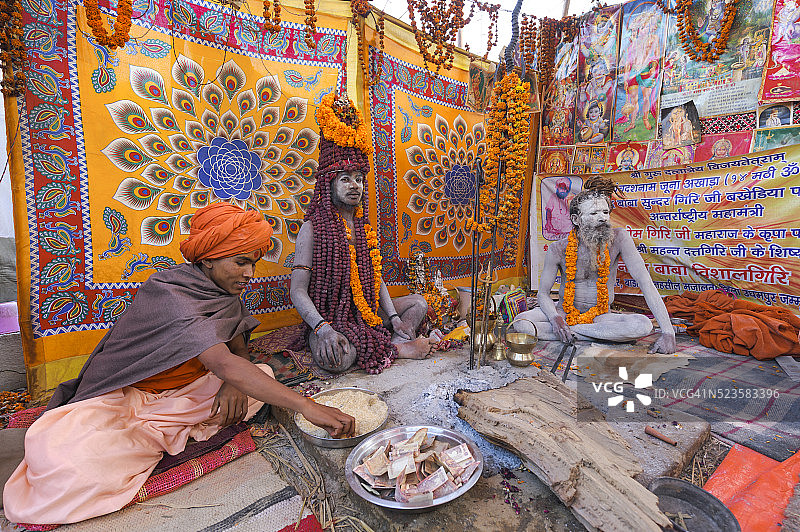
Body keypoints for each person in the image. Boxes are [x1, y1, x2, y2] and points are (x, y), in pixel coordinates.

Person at [3, 203, 355, 525]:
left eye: (253, 262)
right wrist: (307, 406)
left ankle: (168, 431)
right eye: (241, 262)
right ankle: (145, 436)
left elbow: (237, 352)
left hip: (188, 389)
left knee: (258, 378)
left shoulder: (223, 293)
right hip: (130, 396)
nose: (250, 273)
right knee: (69, 467)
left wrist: (230, 383)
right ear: (208, 260)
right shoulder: (172, 295)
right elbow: (224, 362)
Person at [290, 92, 434, 375]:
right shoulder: (313, 229)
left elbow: (374, 276)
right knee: (337, 359)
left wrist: (393, 317)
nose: (354, 185)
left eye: (359, 179)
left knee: (418, 303)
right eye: (345, 179)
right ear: (328, 184)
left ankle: (392, 341)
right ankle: (397, 348)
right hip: (330, 318)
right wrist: (323, 328)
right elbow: (297, 290)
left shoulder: (364, 229)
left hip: (366, 312)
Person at [514, 176, 677, 354]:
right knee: (522, 323)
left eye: (605, 213)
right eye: (593, 214)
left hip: (601, 317)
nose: (602, 219)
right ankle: (593, 333)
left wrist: (668, 332)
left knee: (643, 326)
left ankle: (574, 333)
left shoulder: (619, 238)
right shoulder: (558, 249)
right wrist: (555, 319)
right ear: (576, 219)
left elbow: (645, 282)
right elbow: (543, 294)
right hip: (564, 312)